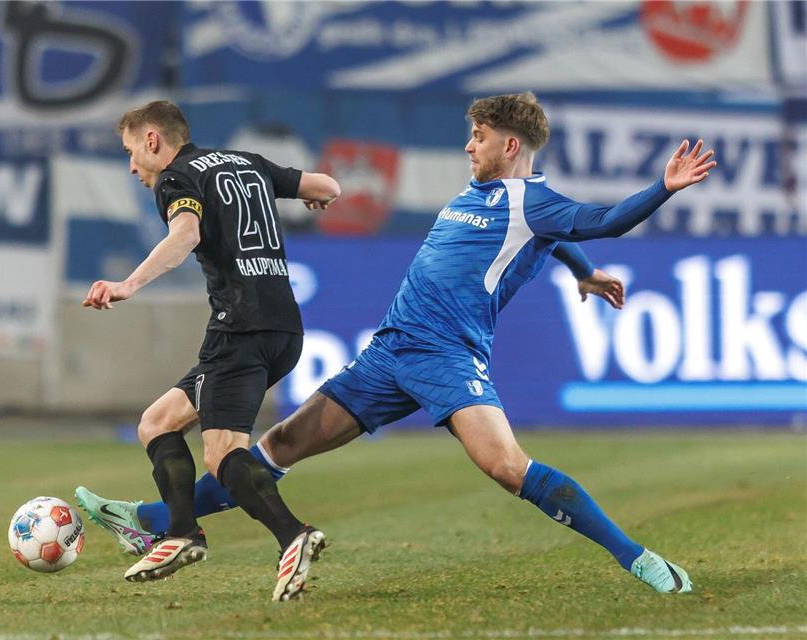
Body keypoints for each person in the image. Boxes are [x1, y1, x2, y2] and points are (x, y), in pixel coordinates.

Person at [78, 92, 715, 595]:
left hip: (447, 356)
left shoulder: (532, 200)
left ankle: (640, 560)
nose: (469, 147)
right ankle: (151, 519)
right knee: (280, 445)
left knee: (507, 468)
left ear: (510, 144)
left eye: (480, 138)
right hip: (389, 351)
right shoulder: (483, 194)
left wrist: (662, 188)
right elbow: (552, 236)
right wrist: (582, 272)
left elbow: (601, 221)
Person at [81, 99, 341, 601]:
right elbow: (326, 187)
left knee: (223, 454)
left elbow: (186, 234)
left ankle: (293, 535)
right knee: (157, 422)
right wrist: (315, 198)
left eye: (132, 151)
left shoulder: (176, 179)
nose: (132, 165)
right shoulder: (245, 162)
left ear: (153, 140)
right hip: (285, 328)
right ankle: (182, 533)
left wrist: (130, 284)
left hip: (239, 328)